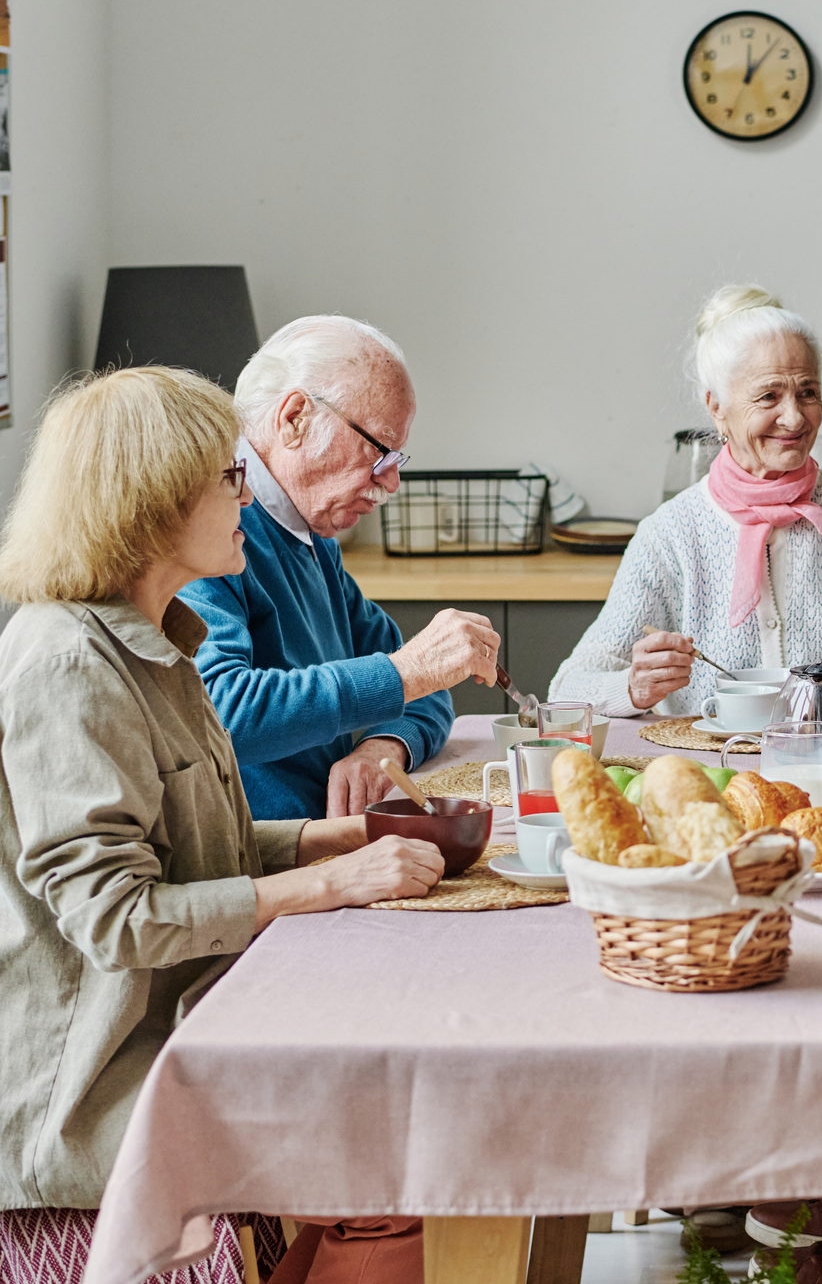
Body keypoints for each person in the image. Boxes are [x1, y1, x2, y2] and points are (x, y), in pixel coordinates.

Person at [0, 367, 438, 1281]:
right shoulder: (66, 663)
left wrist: (339, 841)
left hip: (180, 1050)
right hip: (91, 1108)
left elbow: (204, 853)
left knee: (394, 1173)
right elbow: (118, 920)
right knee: (395, 1172)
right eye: (229, 478)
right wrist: (327, 883)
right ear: (154, 501)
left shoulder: (161, 643)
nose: (248, 492)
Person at [552, 285, 822, 715]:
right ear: (717, 408)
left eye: (807, 392)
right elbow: (565, 691)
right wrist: (633, 688)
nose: (794, 417)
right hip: (708, 778)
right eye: (769, 396)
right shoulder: (669, 535)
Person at [183, 316, 501, 821]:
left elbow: (424, 689)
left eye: (396, 457)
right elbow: (220, 713)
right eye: (378, 450)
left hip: (329, 841)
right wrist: (408, 671)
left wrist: (384, 744)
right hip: (260, 862)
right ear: (295, 419)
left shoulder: (310, 531)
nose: (391, 481)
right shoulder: (207, 525)